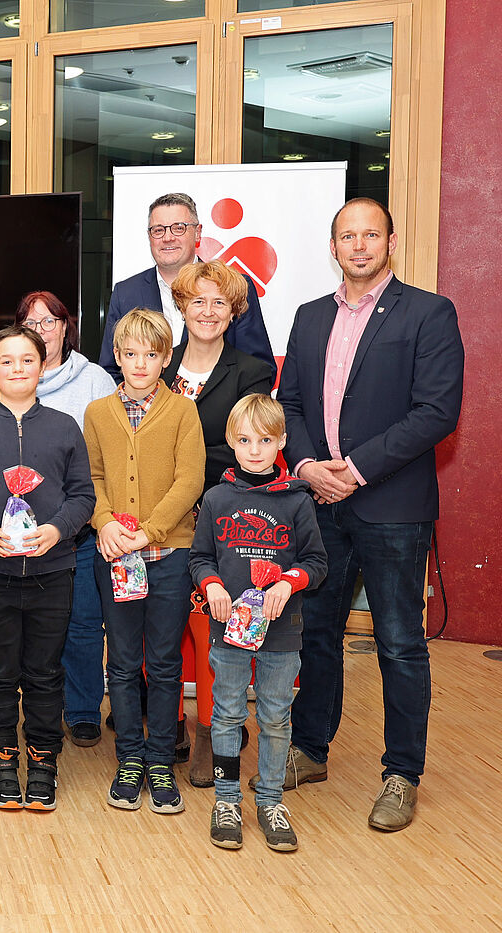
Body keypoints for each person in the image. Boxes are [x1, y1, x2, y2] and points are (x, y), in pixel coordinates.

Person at [277, 197, 464, 832]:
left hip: (390, 507)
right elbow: (291, 405)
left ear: (390, 242)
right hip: (317, 503)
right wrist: (305, 468)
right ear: (333, 246)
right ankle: (309, 750)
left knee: (399, 643)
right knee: (318, 634)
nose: (359, 246)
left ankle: (401, 774)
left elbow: (436, 412)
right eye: (347, 236)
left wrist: (351, 470)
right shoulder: (307, 318)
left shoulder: (428, 313)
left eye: (371, 235)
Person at [0, 325, 95, 810]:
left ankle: (44, 758)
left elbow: (83, 496)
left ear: (42, 365)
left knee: (46, 670)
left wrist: (58, 530)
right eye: (6, 361)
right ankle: (3, 759)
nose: (17, 369)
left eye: (27, 360)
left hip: (52, 570)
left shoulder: (65, 427)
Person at [190, 394, 327, 852]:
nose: (254, 450)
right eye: (245, 440)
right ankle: (226, 799)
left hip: (281, 632)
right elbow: (200, 557)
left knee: (274, 717)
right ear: (230, 441)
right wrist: (211, 585)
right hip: (228, 630)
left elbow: (316, 561)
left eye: (265, 440)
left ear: (282, 442)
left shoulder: (297, 502)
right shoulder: (216, 498)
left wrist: (289, 582)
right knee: (227, 714)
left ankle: (270, 800)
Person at [84, 308, 205, 816]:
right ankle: (129, 758)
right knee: (125, 663)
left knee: (164, 662)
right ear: (117, 356)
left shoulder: (183, 412)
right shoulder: (96, 413)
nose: (139, 363)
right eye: (130, 354)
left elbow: (190, 481)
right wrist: (106, 523)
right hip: (115, 556)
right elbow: (88, 477)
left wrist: (149, 533)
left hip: (169, 555)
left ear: (165, 358)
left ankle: (160, 761)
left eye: (150, 355)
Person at [161, 259, 276, 787]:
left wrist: (187, 460)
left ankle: (212, 732)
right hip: (160, 521)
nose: (207, 312)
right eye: (197, 301)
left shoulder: (253, 372)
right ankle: (169, 726)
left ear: (234, 312)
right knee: (160, 631)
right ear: (181, 307)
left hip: (222, 523)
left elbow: (246, 453)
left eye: (219, 303)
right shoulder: (156, 367)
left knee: (214, 631)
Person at [22, 290, 116, 750]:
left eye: (49, 322)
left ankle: (81, 711)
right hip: (24, 533)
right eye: (31, 323)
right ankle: (39, 709)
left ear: (65, 327)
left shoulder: (95, 379)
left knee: (83, 623)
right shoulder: (15, 375)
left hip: (81, 527)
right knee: (36, 628)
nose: (41, 332)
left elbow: (110, 455)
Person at [100, 192, 273, 378]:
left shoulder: (233, 287)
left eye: (178, 228)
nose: (167, 238)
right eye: (158, 230)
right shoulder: (126, 292)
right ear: (149, 236)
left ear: (197, 233)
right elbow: (110, 371)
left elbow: (259, 370)